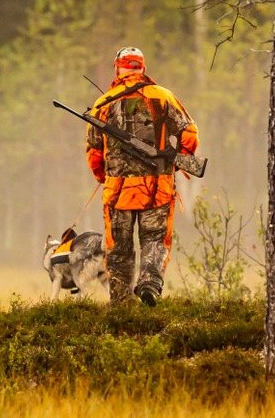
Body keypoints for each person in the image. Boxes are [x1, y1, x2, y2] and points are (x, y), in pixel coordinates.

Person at [85, 46, 200, 306]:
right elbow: (190, 134)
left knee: (119, 251)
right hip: (157, 189)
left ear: (117, 68)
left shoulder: (103, 104)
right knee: (155, 241)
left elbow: (94, 152)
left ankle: (121, 307)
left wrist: (104, 177)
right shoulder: (163, 96)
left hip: (117, 193)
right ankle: (149, 283)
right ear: (143, 68)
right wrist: (176, 161)